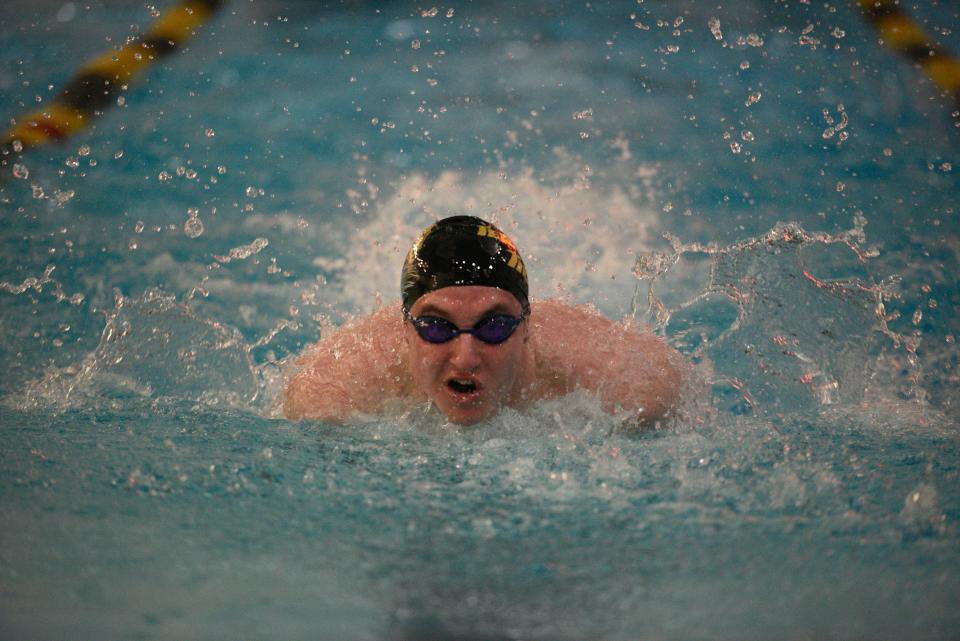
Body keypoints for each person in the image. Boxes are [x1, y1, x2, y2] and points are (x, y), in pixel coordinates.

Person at [284, 215, 684, 427]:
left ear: (528, 327)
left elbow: (660, 384)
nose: (466, 358)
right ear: (404, 330)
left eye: (493, 327)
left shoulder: (622, 391)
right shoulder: (334, 397)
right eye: (437, 328)